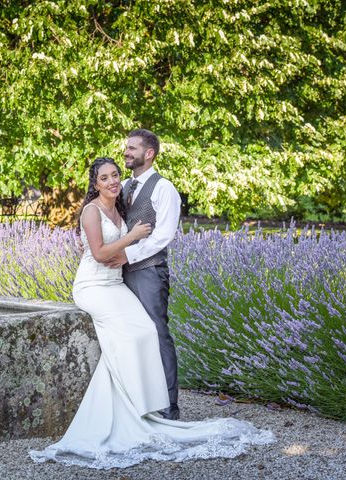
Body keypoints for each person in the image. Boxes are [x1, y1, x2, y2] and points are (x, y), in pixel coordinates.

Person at [29, 157, 274, 469]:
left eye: (115, 175)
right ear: (95, 184)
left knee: (146, 331)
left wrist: (130, 238)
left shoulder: (118, 208)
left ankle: (142, 407)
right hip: (92, 286)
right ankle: (126, 412)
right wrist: (133, 237)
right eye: (104, 178)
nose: (112, 181)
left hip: (115, 285)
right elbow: (101, 253)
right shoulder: (91, 211)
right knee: (128, 337)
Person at [107, 128, 182, 420]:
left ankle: (169, 407)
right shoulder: (122, 185)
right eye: (126, 147)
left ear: (148, 153)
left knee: (157, 334)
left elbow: (163, 236)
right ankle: (139, 401)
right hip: (117, 275)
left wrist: (128, 255)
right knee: (129, 335)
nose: (126, 152)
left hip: (149, 273)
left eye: (132, 148)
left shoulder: (165, 189)